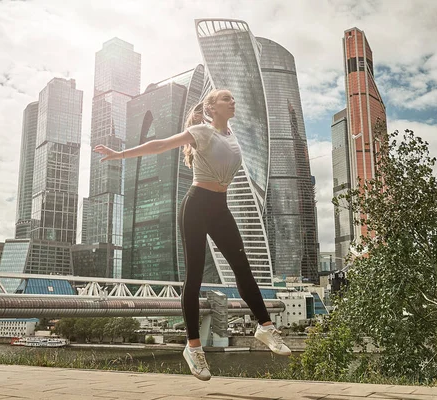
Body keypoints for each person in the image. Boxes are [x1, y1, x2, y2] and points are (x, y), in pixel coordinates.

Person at [94, 89, 291, 381]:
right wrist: (120, 154)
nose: (233, 101)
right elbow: (159, 145)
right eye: (226, 99)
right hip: (196, 204)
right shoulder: (200, 130)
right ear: (212, 107)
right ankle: (193, 347)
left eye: (233, 98)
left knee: (242, 268)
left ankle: (265, 326)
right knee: (194, 275)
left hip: (220, 208)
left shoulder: (231, 135)